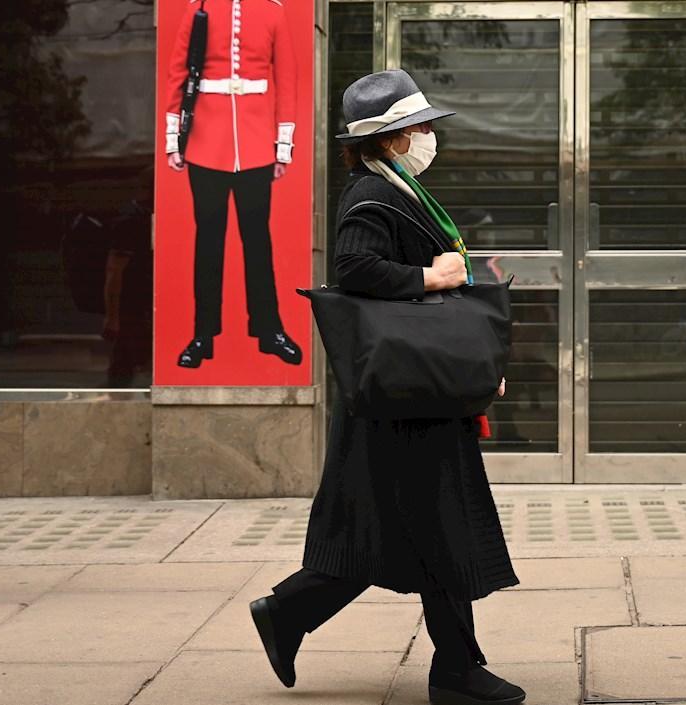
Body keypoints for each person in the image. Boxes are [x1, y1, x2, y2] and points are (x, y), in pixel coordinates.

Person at [246, 69, 524, 705]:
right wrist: (433, 274)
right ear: (392, 137)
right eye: (420, 126)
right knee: (434, 526)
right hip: (404, 402)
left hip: (411, 394)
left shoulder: (394, 188)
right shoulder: (374, 194)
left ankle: (290, 613)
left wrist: (470, 361)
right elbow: (354, 267)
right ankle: (453, 669)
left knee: (394, 530)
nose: (428, 135)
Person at [163, 0, 303, 368]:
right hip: (206, 141)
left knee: (257, 241)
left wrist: (282, 143)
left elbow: (286, 78)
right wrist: (173, 137)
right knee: (208, 243)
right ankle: (203, 335)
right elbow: (179, 72)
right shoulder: (199, 8)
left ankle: (268, 329)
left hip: (257, 142)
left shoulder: (272, 11)